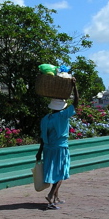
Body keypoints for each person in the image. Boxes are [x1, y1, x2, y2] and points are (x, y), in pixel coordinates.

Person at [36, 78, 79, 209]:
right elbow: (76, 103)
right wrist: (74, 86)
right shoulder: (62, 115)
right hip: (60, 148)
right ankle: (50, 196)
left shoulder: (46, 118)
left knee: (54, 172)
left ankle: (56, 197)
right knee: (60, 173)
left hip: (48, 148)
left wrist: (39, 152)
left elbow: (43, 137)